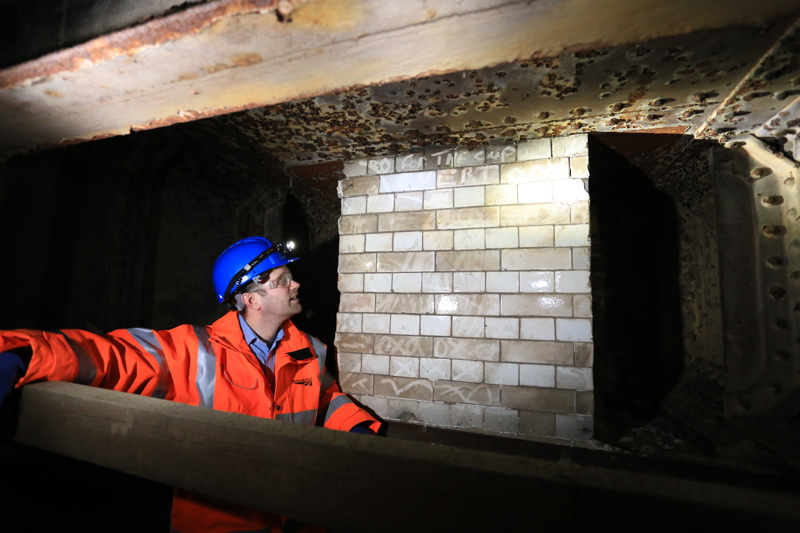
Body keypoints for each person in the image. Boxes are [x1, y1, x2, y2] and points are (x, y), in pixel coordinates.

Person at [0, 236, 381, 533]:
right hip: (221, 522)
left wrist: (361, 431)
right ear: (252, 298)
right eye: (283, 281)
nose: (296, 284)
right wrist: (22, 353)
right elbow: (112, 355)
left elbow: (326, 398)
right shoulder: (193, 351)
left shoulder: (309, 350)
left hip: (300, 515)